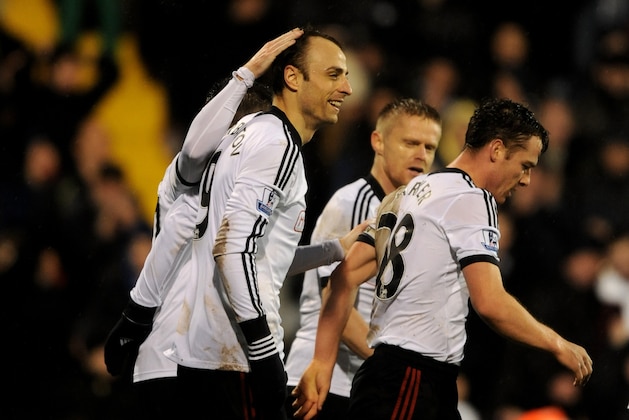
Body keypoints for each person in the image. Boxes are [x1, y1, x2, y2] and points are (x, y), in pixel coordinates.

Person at [291, 98, 594, 420]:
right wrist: (557, 344)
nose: (526, 180)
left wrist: (321, 361)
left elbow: (346, 274)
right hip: (412, 378)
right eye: (525, 165)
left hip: (388, 375)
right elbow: (490, 302)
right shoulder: (473, 198)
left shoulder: (409, 191)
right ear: (496, 150)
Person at [103, 28, 304, 417]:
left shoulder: (212, 186)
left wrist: (331, 251)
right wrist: (133, 316)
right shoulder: (194, 176)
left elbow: (253, 257)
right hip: (190, 352)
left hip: (168, 358)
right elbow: (185, 238)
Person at [163, 27, 352, 420]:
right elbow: (232, 248)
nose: (347, 88)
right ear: (293, 77)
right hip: (237, 357)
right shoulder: (277, 144)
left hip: (203, 352)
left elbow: (260, 253)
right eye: (334, 74)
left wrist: (334, 250)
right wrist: (265, 352)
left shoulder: (245, 132)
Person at [284, 98, 442, 418]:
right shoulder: (354, 204)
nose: (420, 155)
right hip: (328, 385)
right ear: (378, 141)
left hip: (368, 385)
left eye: (429, 146)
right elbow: (337, 300)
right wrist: (398, 366)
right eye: (410, 142)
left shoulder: (413, 215)